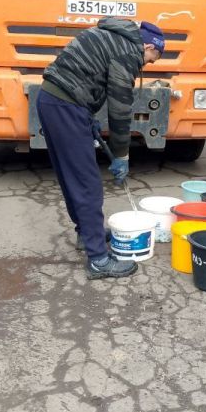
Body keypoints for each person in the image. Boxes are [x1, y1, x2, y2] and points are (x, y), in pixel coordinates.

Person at [38, 18, 165, 280]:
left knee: (72, 176)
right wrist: (122, 155)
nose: (148, 64)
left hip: (55, 101)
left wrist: (86, 115)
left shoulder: (112, 37)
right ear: (149, 47)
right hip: (65, 105)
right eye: (153, 58)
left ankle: (88, 235)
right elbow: (120, 111)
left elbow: (86, 73)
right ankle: (98, 260)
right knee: (87, 183)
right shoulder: (128, 52)